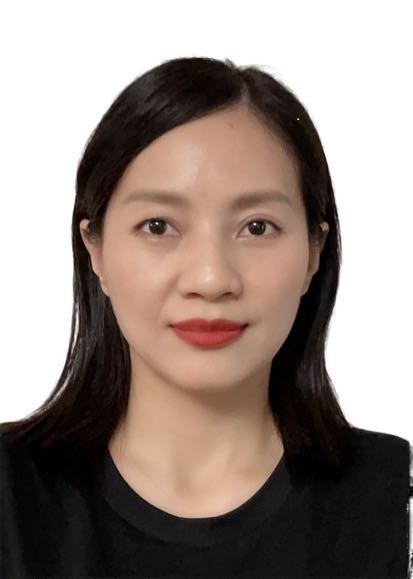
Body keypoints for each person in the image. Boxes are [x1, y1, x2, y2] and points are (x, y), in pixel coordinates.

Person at [1, 56, 411, 578]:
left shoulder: (394, 501)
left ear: (314, 252)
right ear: (94, 250)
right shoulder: (10, 497)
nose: (211, 278)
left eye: (257, 227)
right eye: (158, 226)